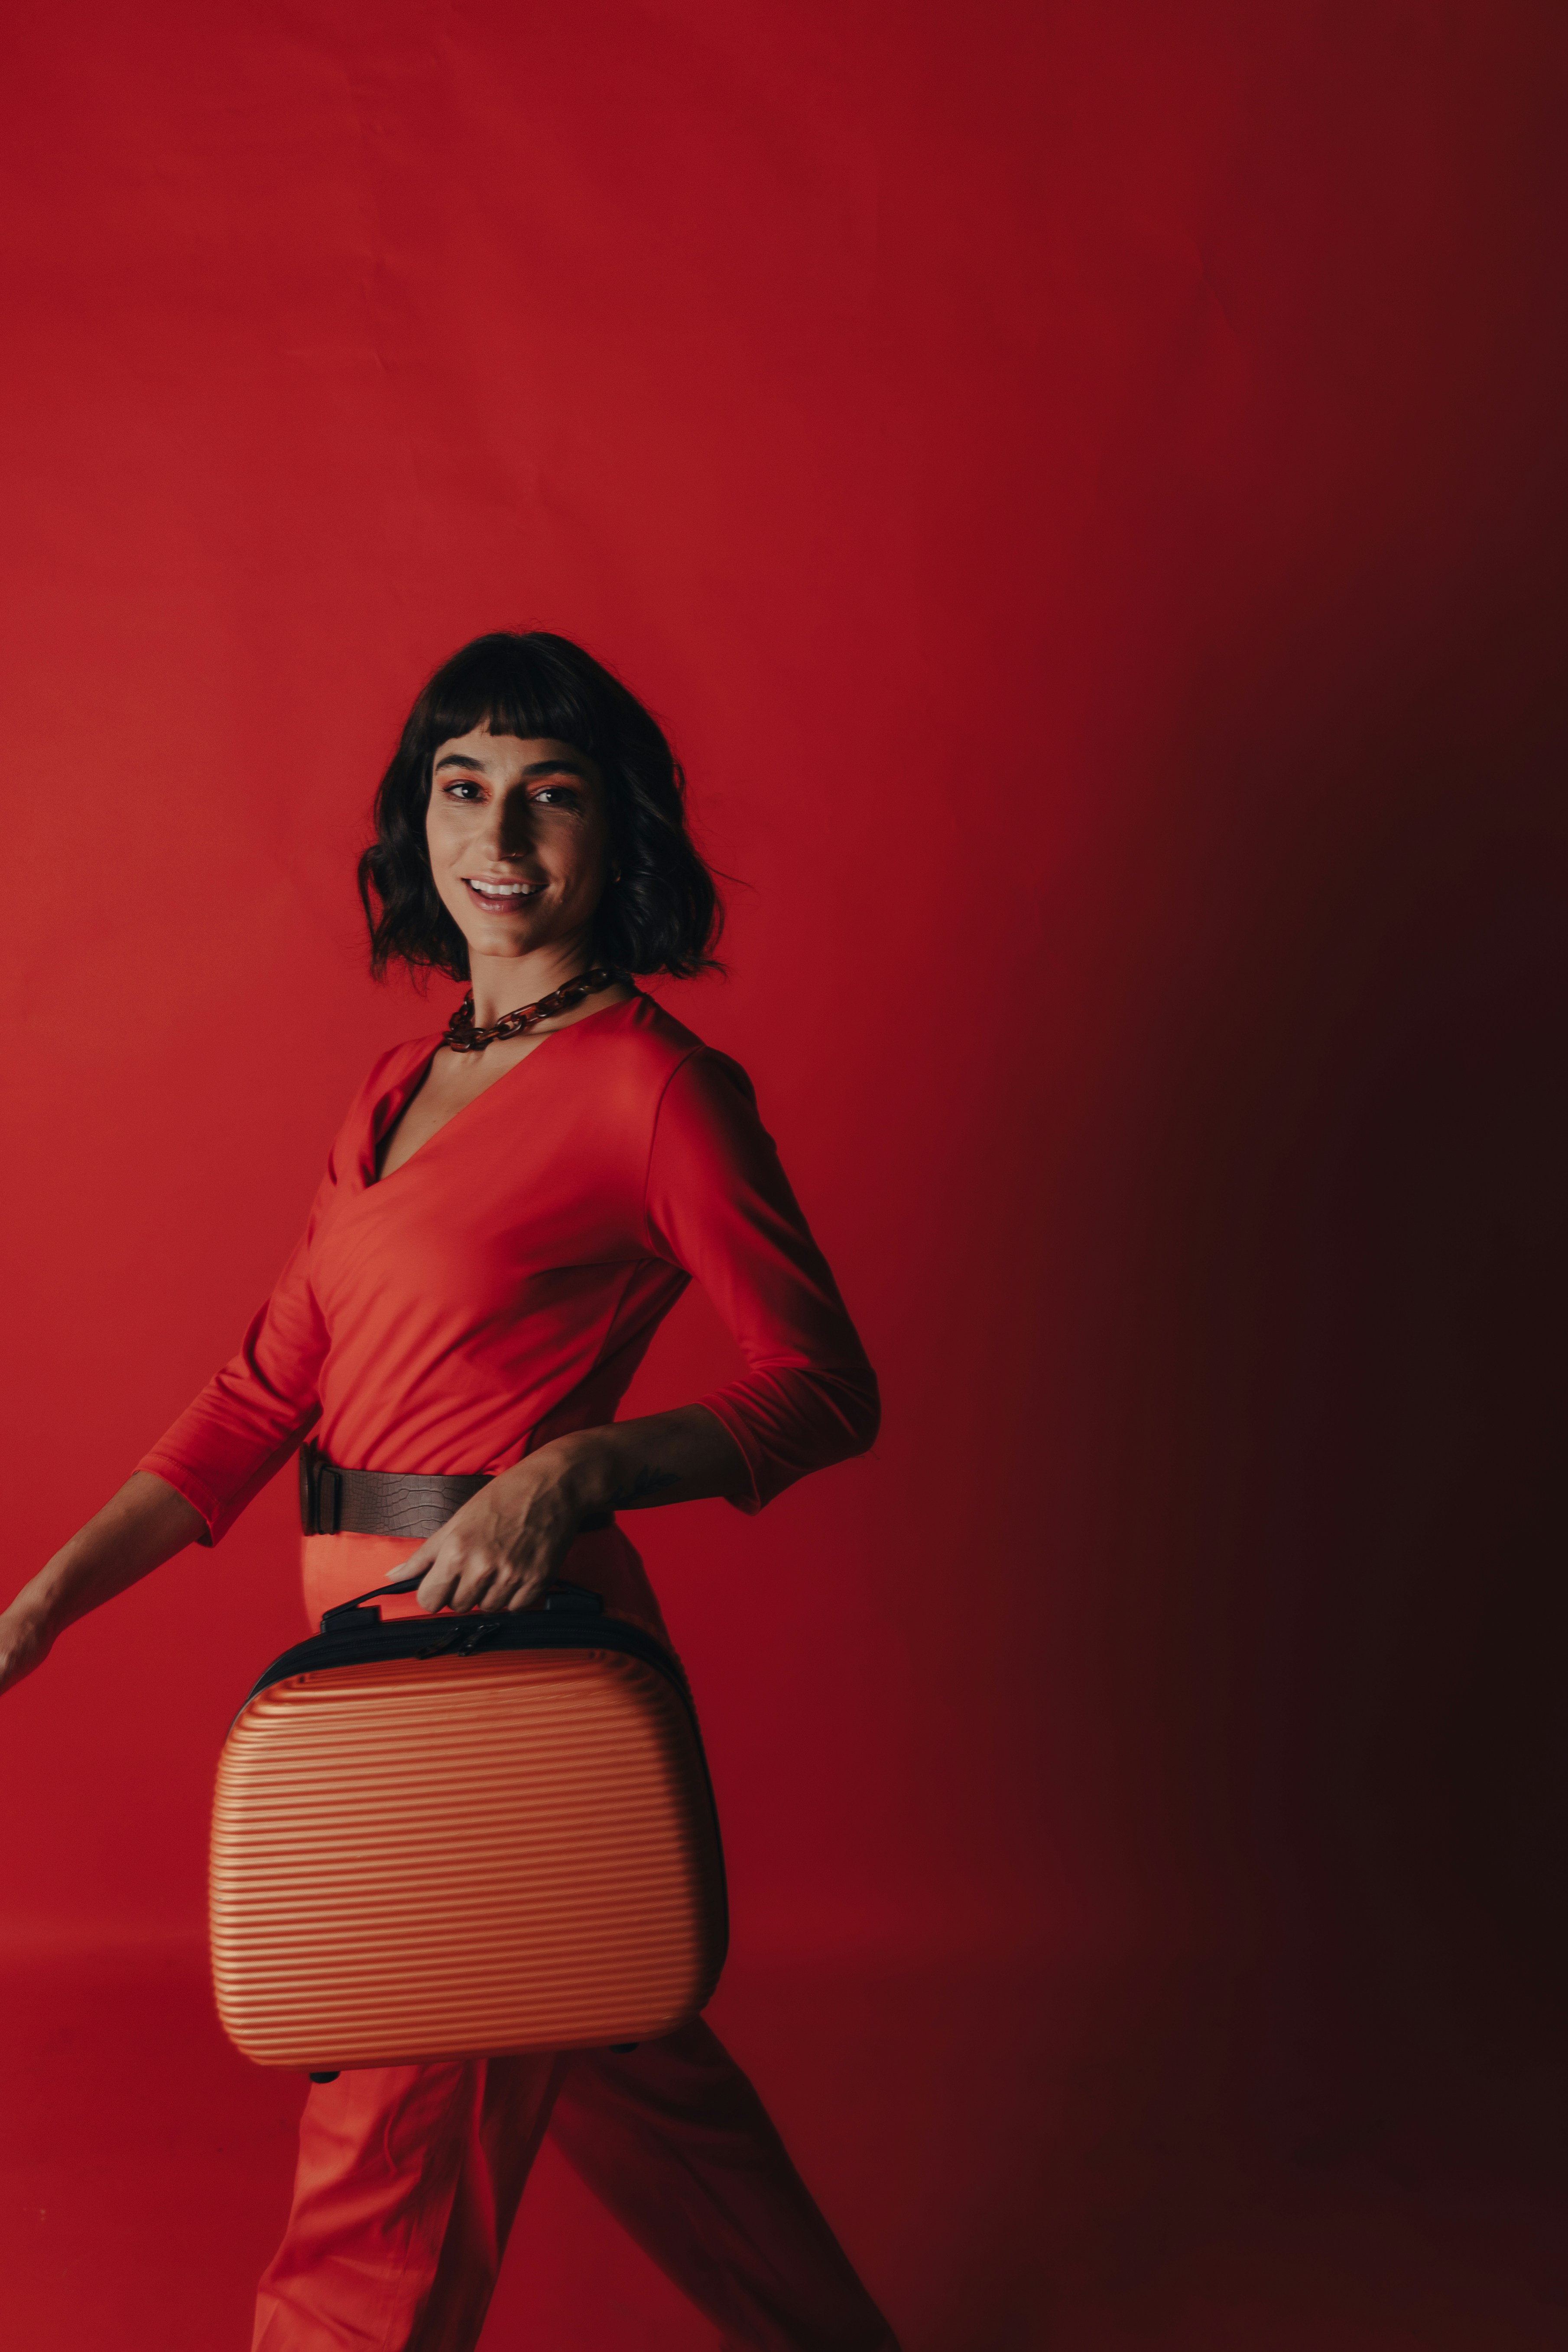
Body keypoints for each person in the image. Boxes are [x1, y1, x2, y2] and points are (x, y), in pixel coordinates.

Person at [0, 631, 898, 2352]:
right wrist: (40, 1604)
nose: (499, 832)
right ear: (415, 818)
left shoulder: (656, 1091)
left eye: (551, 794)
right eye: (461, 785)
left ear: (612, 836)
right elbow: (262, 1390)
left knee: (377, 2187)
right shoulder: (389, 1093)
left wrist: (578, 1468)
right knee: (628, 2057)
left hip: (493, 1669)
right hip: (365, 1647)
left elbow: (823, 1388)